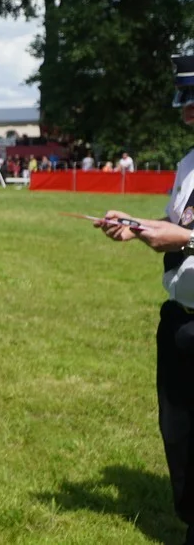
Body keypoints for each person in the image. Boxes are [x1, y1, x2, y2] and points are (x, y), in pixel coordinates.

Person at [97, 53, 194, 544]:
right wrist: (135, 228)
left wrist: (186, 241)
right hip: (181, 318)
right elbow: (176, 227)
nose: (187, 114)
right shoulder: (188, 165)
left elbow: (186, 237)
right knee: (179, 435)